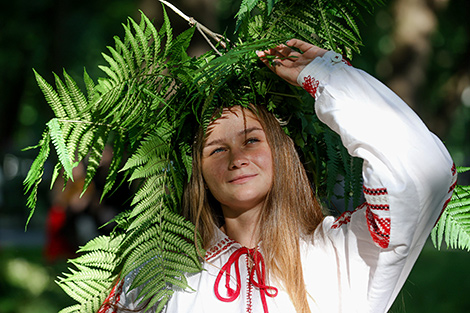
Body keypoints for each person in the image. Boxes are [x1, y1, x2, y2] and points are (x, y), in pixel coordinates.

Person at [99, 39, 457, 313]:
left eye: (251, 140)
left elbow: (424, 170)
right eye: (216, 149)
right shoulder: (161, 276)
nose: (237, 158)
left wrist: (329, 76)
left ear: (281, 151)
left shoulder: (344, 255)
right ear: (199, 173)